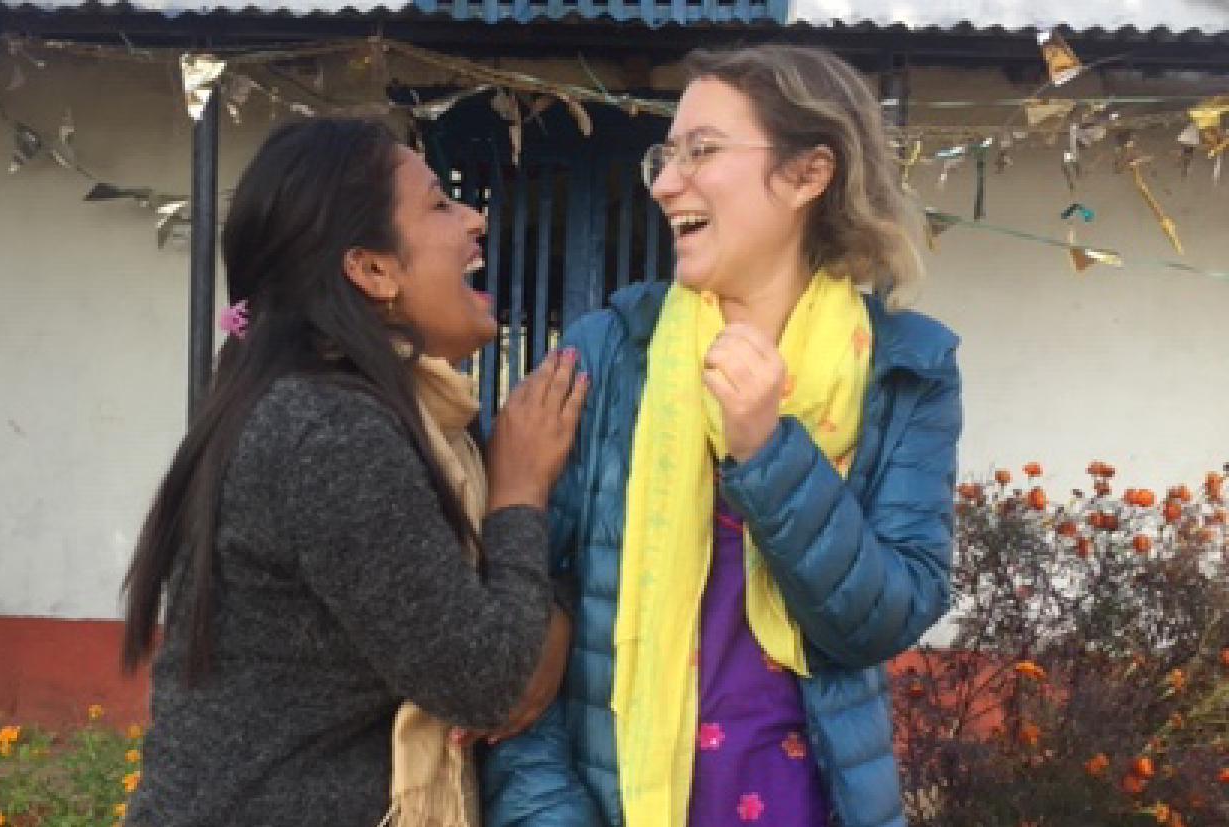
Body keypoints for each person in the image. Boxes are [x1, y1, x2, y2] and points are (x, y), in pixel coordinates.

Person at [482, 44, 963, 827]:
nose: (668, 183)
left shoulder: (906, 369)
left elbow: (883, 617)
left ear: (810, 173)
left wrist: (769, 451)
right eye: (665, 157)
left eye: (702, 151)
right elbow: (521, 606)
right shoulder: (611, 352)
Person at [119, 117, 585, 827]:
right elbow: (490, 679)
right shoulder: (328, 431)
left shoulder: (362, 414)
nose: (475, 218)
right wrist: (521, 491)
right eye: (439, 203)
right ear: (371, 269)